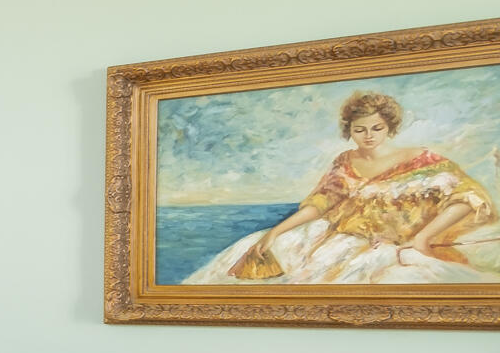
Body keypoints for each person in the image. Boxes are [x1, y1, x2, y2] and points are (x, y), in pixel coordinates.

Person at [185, 90, 500, 284]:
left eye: (377, 128)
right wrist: (276, 230)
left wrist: (423, 237)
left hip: (385, 244)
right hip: (338, 234)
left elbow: (468, 197)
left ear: (390, 128)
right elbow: (321, 202)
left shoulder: (421, 159)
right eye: (359, 129)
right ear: (349, 131)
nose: (368, 135)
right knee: (252, 247)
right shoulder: (345, 161)